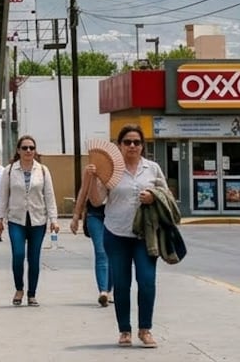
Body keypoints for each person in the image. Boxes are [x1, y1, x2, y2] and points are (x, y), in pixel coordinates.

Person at [83, 124, 169, 349]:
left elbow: (167, 195)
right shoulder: (111, 169)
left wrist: (152, 196)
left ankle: (145, 329)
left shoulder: (152, 169)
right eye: (127, 142)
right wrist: (92, 178)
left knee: (147, 281)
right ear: (119, 145)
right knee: (121, 284)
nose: (132, 146)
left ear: (142, 146)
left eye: (137, 142)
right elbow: (96, 201)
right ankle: (124, 331)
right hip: (116, 234)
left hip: (146, 236)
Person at [0, 134, 58, 307]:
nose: (28, 151)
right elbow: (3, 196)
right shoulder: (9, 170)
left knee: (34, 258)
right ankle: (19, 288)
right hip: (16, 220)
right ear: (18, 150)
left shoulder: (43, 170)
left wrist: (54, 219)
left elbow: (50, 196)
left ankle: (32, 294)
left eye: (31, 148)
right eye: (25, 148)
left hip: (38, 220)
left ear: (35, 151)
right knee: (18, 255)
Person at [70, 172, 111, 307]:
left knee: (115, 254)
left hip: (115, 215)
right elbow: (83, 192)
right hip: (95, 214)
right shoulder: (92, 170)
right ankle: (103, 291)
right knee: (101, 251)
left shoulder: (119, 168)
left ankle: (108, 287)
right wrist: (76, 217)